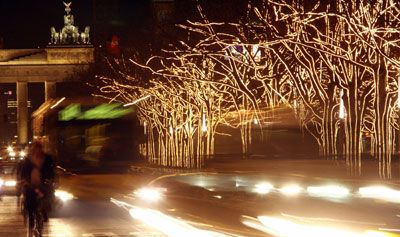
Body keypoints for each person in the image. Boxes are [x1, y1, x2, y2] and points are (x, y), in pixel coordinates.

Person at [21, 142, 55, 228]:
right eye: (35, 149)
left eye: (39, 149)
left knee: (46, 196)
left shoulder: (47, 159)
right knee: (29, 199)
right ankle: (31, 216)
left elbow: (51, 170)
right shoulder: (28, 159)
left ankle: (44, 211)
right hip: (31, 183)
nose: (37, 151)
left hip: (43, 183)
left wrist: (50, 180)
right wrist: (24, 181)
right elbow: (24, 171)